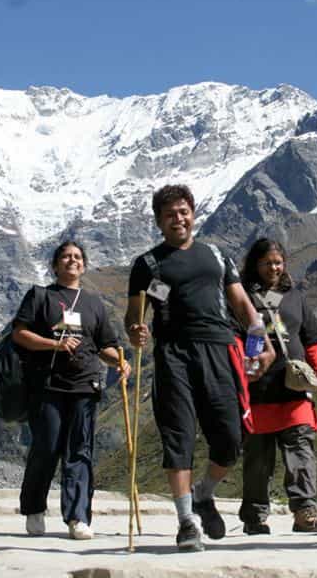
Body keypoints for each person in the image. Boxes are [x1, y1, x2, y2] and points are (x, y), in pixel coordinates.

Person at [125, 184, 268, 552]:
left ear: (193, 213)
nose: (179, 219)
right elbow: (135, 316)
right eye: (170, 214)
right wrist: (136, 331)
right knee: (179, 437)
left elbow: (244, 309)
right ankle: (186, 521)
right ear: (159, 221)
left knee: (231, 439)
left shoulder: (217, 256)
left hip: (220, 352)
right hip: (173, 355)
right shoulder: (148, 264)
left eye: (184, 211)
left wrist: (256, 346)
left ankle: (204, 493)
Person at [13, 241, 130, 540]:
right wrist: (55, 344)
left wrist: (121, 362)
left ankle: (78, 517)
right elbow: (20, 334)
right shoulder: (41, 296)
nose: (72, 260)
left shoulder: (93, 303)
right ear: (55, 265)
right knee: (47, 448)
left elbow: (105, 346)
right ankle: (34, 509)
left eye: (77, 257)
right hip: (48, 385)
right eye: (65, 256)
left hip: (85, 385)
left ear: (84, 265)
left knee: (80, 451)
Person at [236, 238, 317, 536]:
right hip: (258, 390)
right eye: (267, 263)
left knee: (301, 452)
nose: (273, 267)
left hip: (294, 388)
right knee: (258, 459)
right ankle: (255, 517)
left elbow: (311, 341)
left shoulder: (295, 298)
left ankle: (305, 512)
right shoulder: (242, 299)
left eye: (278, 262)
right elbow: (236, 339)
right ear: (256, 264)